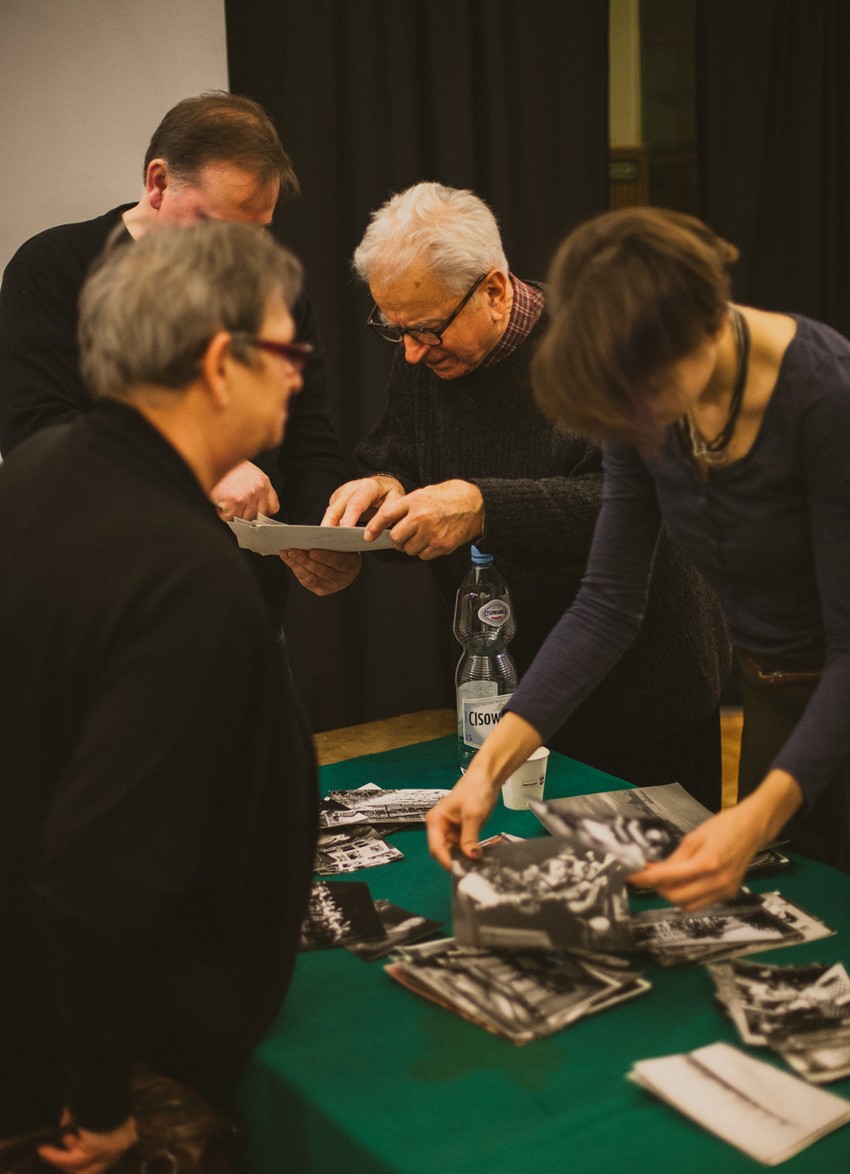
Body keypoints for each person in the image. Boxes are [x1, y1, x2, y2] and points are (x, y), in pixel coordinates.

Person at [0, 220, 317, 1174]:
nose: (298, 377)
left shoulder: (37, 474)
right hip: (97, 1071)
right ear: (221, 364)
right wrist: (100, 1096)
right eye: (286, 351)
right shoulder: (186, 574)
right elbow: (99, 869)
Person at [426, 206, 850, 909]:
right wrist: (488, 769)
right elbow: (607, 604)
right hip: (778, 697)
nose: (640, 419)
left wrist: (756, 816)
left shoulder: (827, 399)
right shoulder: (636, 381)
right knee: (795, 914)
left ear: (706, 325)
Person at [305, 183, 729, 804]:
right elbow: (400, 460)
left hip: (641, 692)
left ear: (496, 291)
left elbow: (636, 506)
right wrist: (374, 499)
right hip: (505, 692)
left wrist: (484, 508)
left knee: (656, 866)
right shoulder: (426, 350)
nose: (413, 353)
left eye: (426, 329)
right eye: (395, 330)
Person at [0, 90, 359, 611]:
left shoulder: (274, 292)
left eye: (255, 234)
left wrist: (326, 540)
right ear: (159, 183)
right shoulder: (53, 268)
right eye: (215, 227)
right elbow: (37, 439)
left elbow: (307, 438)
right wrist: (201, 467)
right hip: (103, 609)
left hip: (241, 607)